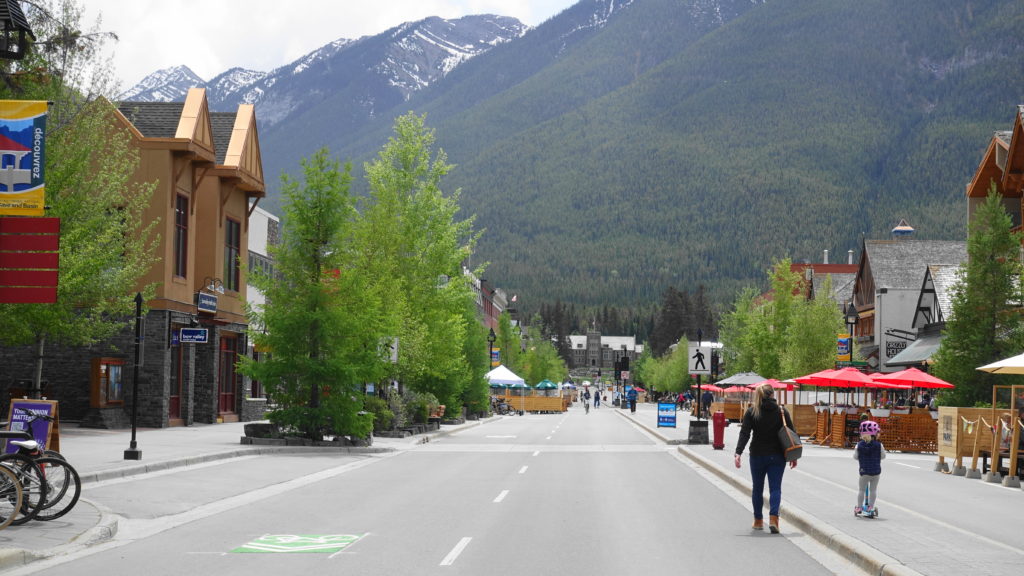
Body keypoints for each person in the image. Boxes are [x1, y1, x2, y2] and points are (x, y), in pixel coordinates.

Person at [733, 383, 797, 533]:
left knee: (757, 488)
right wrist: (794, 456)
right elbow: (792, 433)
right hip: (777, 455)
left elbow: (745, 434)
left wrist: (738, 452)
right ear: (773, 394)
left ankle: (758, 521)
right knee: (775, 488)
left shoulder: (752, 411)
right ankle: (774, 519)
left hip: (757, 455)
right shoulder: (782, 411)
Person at [853, 420, 886, 517]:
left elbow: (855, 457)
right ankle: (871, 507)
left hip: (864, 471)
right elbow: (883, 456)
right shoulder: (879, 445)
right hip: (876, 471)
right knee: (873, 490)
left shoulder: (858, 445)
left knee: (861, 490)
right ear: (874, 434)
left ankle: (859, 507)